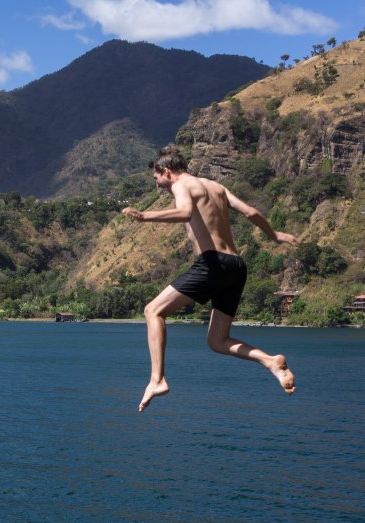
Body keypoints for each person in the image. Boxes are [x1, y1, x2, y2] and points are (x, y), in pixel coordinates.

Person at [121, 146, 298, 413]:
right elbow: (250, 212)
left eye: (156, 178)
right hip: (236, 266)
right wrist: (274, 235)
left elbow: (185, 213)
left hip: (213, 263)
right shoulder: (217, 187)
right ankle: (269, 361)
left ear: (167, 171)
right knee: (217, 341)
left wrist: (145, 216)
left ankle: (157, 379)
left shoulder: (182, 185)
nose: (156, 183)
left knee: (152, 310)